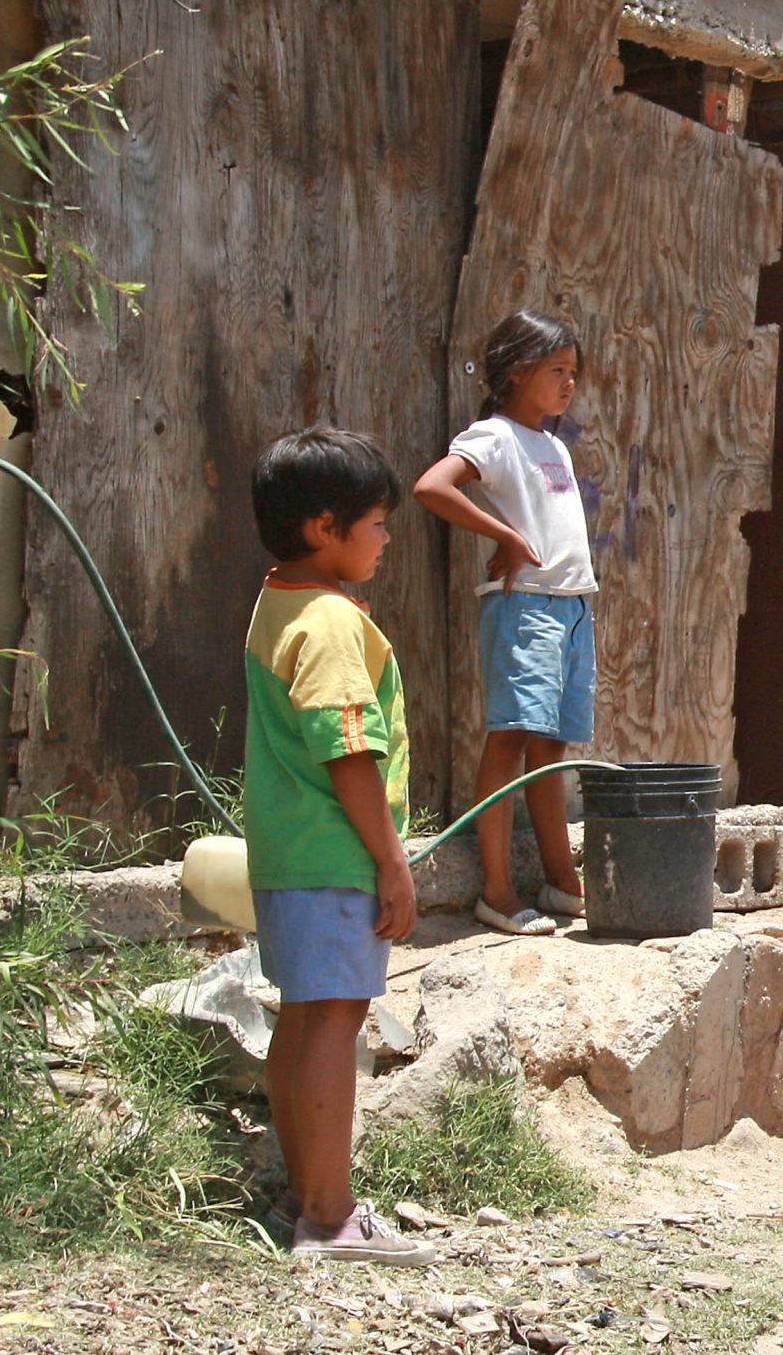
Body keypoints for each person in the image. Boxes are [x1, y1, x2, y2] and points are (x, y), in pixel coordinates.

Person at [245, 427, 436, 1265]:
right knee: (336, 1020)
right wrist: (391, 862)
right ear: (325, 527)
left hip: (290, 855)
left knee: (305, 1014)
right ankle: (328, 1216)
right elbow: (348, 751)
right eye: (378, 522)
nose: (387, 538)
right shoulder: (327, 621)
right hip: (334, 856)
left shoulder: (278, 601)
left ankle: (303, 1188)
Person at [415, 310, 597, 936]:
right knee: (511, 738)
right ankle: (496, 890)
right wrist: (506, 537)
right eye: (557, 370)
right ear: (517, 371)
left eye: (573, 372)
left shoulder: (554, 445)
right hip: (527, 607)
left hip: (571, 605)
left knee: (551, 748)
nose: (569, 383)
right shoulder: (494, 436)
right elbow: (432, 487)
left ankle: (561, 881)